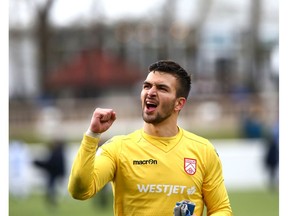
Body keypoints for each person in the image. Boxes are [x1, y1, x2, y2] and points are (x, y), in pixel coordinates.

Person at [68, 60, 232, 216]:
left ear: (179, 103)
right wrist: (92, 135)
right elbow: (80, 191)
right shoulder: (118, 148)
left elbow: (221, 208)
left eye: (162, 88)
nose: (151, 92)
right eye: (147, 86)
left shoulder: (203, 150)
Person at [33, 138, 66, 206]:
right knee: (52, 188)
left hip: (54, 173)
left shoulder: (56, 153)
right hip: (56, 173)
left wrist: (38, 163)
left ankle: (52, 201)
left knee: (52, 188)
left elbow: (50, 164)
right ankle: (52, 201)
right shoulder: (60, 152)